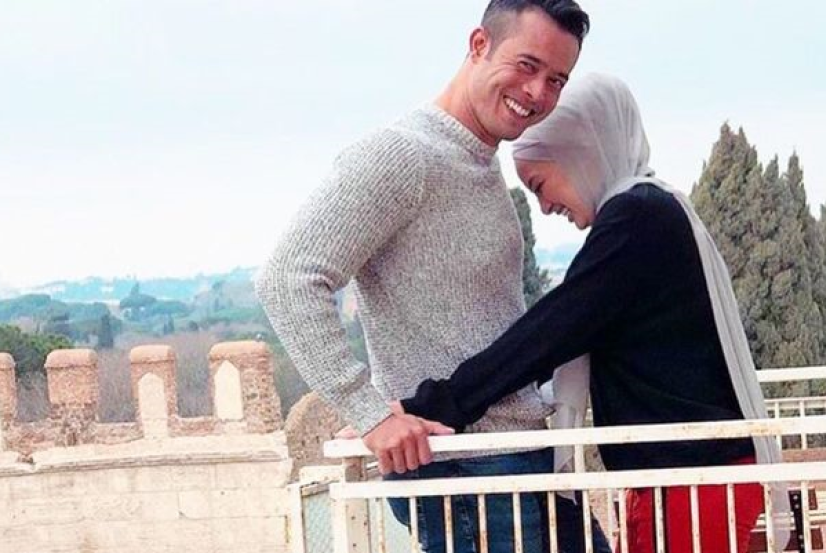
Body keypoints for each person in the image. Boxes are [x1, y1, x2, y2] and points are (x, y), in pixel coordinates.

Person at [256, 2, 610, 552]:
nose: (538, 92)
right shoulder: (403, 154)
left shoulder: (479, 162)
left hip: (512, 459)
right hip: (465, 471)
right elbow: (287, 278)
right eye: (526, 65)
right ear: (478, 45)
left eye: (556, 80)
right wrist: (371, 415)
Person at [400, 73, 788, 553]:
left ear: (579, 153)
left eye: (540, 184)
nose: (545, 207)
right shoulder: (651, 210)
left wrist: (436, 405)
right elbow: (566, 328)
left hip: (692, 478)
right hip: (688, 475)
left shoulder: (637, 218)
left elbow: (551, 331)